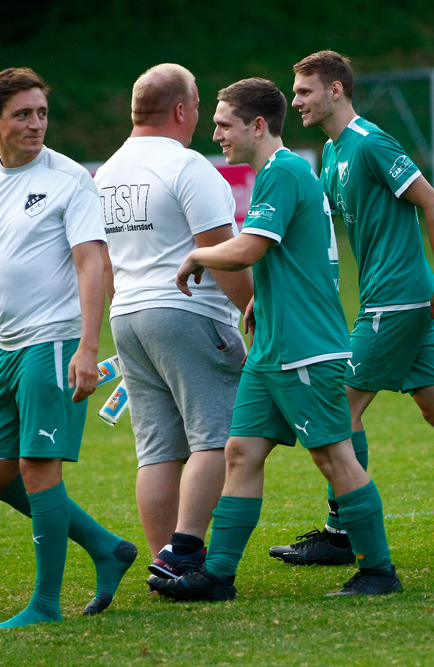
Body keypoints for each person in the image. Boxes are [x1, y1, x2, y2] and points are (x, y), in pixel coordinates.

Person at [149, 77, 402, 601]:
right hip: (273, 348)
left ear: (257, 125)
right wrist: (262, 296)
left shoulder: (283, 171)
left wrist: (198, 255)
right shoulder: (281, 173)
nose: (215, 134)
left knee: (335, 459)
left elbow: (247, 250)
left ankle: (378, 570)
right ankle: (217, 576)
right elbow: (291, 254)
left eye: (224, 124)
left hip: (306, 347)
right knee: (240, 452)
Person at [281, 50, 434, 563]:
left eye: (305, 91)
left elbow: (433, 204)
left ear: (335, 90)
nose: (296, 100)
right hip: (385, 296)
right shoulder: (330, 155)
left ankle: (341, 533)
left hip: (398, 299)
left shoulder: (371, 144)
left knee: (339, 407)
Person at [0, 67, 137, 628]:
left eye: (42, 113)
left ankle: (46, 605)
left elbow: (92, 262)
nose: (36, 124)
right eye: (23, 114)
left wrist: (87, 346)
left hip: (54, 341)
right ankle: (107, 548)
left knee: (37, 468)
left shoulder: (70, 179)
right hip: (5, 348)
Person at [93, 64, 253, 583]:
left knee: (157, 449)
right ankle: (183, 555)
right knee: (215, 438)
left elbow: (108, 261)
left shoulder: (107, 172)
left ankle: (164, 557)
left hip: (128, 316)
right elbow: (219, 250)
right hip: (188, 314)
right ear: (181, 111)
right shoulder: (188, 167)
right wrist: (258, 309)